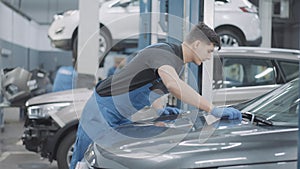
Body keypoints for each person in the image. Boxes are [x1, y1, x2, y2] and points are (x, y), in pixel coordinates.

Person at [70, 22, 242, 169]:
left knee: (110, 161)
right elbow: (173, 85)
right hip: (100, 111)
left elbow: (154, 87)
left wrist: (159, 109)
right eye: (209, 50)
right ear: (197, 44)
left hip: (120, 116)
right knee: (84, 162)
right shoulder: (165, 53)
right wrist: (211, 108)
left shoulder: (178, 63)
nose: (209, 57)